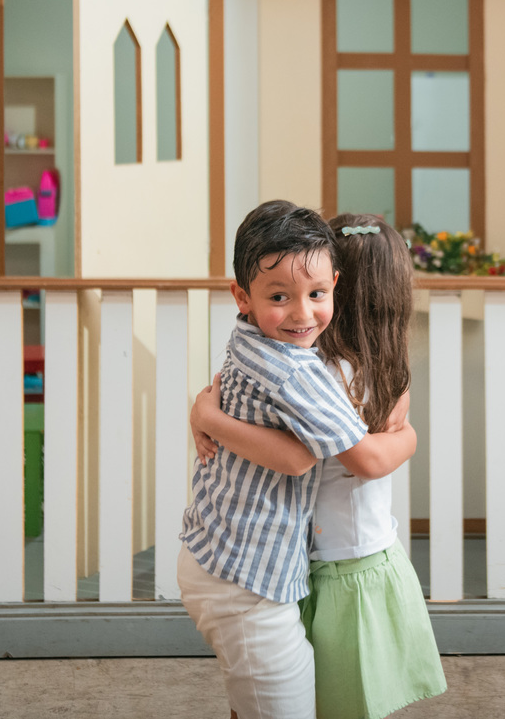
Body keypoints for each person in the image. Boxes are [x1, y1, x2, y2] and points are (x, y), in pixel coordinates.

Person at [191, 213, 447, 719]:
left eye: (316, 291)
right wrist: (411, 436)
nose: (302, 309)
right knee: (327, 697)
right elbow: (367, 458)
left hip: (323, 559)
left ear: (336, 286)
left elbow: (229, 397)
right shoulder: (353, 370)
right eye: (283, 293)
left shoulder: (316, 365)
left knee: (279, 693)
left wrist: (204, 414)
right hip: (345, 555)